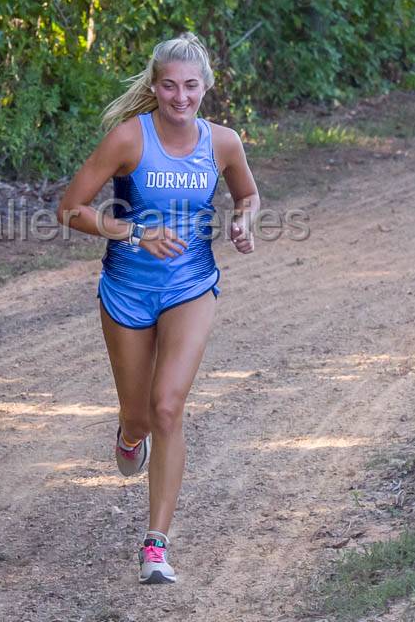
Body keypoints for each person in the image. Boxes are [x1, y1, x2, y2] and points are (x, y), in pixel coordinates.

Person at [56, 33, 260, 584]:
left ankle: (156, 543)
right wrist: (131, 232)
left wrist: (243, 220)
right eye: (168, 85)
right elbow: (69, 210)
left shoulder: (222, 143)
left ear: (206, 86)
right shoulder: (128, 138)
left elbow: (247, 194)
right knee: (140, 414)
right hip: (125, 287)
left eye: (190, 85)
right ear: (154, 86)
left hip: (190, 285)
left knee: (168, 406)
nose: (179, 96)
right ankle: (129, 434)